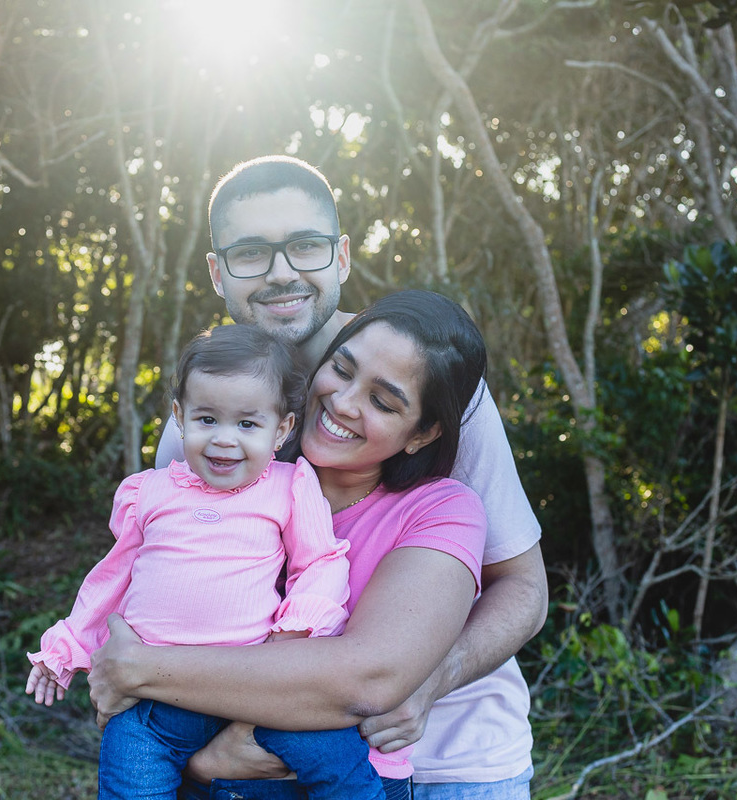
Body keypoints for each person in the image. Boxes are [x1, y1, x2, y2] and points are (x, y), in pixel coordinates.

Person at [152, 155, 548, 798]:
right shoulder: (204, 428)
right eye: (251, 252)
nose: (282, 273)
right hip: (272, 767)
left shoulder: (439, 392)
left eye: (304, 246)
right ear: (217, 271)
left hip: (450, 764)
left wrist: (423, 683)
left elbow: (524, 587)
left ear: (339, 256)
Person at [81, 290, 492, 800]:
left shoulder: (441, 510)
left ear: (423, 433)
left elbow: (368, 680)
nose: (342, 402)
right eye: (341, 369)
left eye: (382, 401)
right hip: (187, 767)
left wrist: (138, 670)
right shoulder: (226, 476)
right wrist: (210, 761)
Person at [25, 324, 386, 800]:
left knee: (338, 762)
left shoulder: (288, 485)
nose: (223, 440)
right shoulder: (149, 491)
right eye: (207, 419)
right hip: (156, 699)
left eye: (247, 424)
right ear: (179, 417)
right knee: (129, 766)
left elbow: (319, 561)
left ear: (282, 429)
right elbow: (112, 580)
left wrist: (296, 629)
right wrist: (66, 647)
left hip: (256, 687)